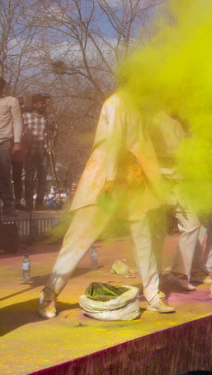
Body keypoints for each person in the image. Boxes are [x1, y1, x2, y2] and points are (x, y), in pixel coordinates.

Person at [38, 92, 173, 318]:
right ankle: (49, 293)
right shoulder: (118, 102)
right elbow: (114, 142)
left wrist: (156, 182)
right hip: (104, 179)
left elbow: (145, 151)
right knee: (80, 236)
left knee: (143, 236)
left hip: (132, 179)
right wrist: (110, 180)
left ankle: (152, 293)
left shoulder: (142, 110)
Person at [148, 111, 202, 291]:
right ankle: (153, 276)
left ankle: (178, 273)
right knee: (157, 231)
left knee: (192, 223)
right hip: (160, 182)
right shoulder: (157, 120)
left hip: (180, 184)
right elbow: (151, 152)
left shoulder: (182, 124)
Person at [21, 94, 57, 211]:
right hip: (30, 152)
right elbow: (19, 131)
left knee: (42, 178)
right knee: (29, 178)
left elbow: (55, 129)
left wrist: (51, 143)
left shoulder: (48, 117)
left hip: (43, 152)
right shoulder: (25, 116)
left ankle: (40, 203)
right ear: (34, 104)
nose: (44, 105)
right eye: (41, 103)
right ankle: (29, 204)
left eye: (44, 103)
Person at [0, 76, 23, 216]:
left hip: (3, 142)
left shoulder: (10, 101)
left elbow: (17, 121)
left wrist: (17, 142)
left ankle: (8, 205)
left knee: (4, 175)